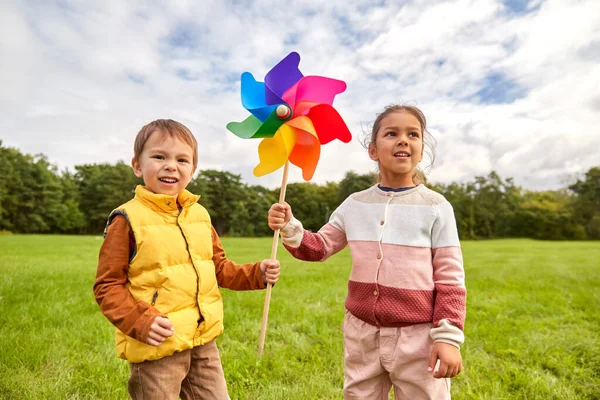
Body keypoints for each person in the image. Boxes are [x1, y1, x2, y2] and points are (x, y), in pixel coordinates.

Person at [268, 105, 465, 399]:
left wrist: (447, 338)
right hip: (362, 333)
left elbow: (450, 278)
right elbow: (318, 248)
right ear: (373, 150)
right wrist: (289, 226)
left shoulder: (436, 207)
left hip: (417, 336)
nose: (403, 140)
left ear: (422, 150)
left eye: (413, 134)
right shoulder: (354, 204)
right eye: (391, 133)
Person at [94, 119, 280, 400]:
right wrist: (140, 322)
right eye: (159, 156)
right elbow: (107, 286)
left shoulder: (200, 216)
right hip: (157, 346)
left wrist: (257, 273)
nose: (171, 165)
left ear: (192, 170)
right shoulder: (126, 219)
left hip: (202, 341)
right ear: (137, 165)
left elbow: (218, 268)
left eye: (182, 159)